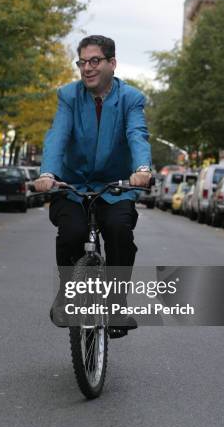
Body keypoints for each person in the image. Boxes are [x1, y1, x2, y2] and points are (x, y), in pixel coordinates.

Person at [34, 35, 152, 333]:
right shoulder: (68, 96)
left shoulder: (131, 99)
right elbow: (57, 137)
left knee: (119, 231)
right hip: (72, 187)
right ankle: (66, 293)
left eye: (95, 61)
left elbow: (137, 135)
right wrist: (48, 173)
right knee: (71, 232)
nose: (87, 68)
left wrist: (141, 169)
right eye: (82, 62)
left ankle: (116, 305)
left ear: (112, 63)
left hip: (114, 188)